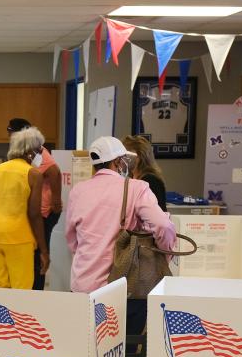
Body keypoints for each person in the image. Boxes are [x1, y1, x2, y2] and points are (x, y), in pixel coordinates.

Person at [66, 136, 175, 334]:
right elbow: (162, 225)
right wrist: (166, 253)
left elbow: (72, 240)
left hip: (82, 286)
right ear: (118, 162)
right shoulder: (136, 188)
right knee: (124, 352)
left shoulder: (77, 191)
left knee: (88, 351)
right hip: (124, 287)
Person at [0, 126, 49, 289]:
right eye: (40, 150)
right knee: (20, 289)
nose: (41, 154)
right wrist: (44, 250)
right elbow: (34, 214)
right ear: (30, 151)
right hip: (19, 239)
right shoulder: (33, 174)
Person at [8, 118, 62, 289]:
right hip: (34, 211)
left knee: (39, 252)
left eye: (12, 133)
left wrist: (56, 199)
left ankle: (36, 290)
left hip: (43, 212)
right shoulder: (24, 152)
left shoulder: (37, 152)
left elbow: (54, 171)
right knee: (32, 252)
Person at [123, 135, 167, 210]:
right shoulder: (132, 178)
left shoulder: (151, 181)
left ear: (138, 156)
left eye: (126, 155)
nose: (123, 158)